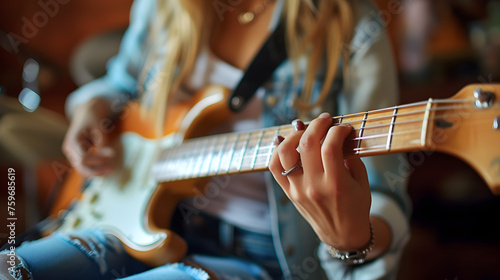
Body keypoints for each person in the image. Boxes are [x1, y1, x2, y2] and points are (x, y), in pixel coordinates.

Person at [0, 0, 411, 279]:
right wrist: (89, 110)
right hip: (129, 217)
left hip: (264, 253)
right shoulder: (166, 6)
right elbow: (120, 83)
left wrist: (352, 240)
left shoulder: (352, 22)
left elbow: (385, 190)